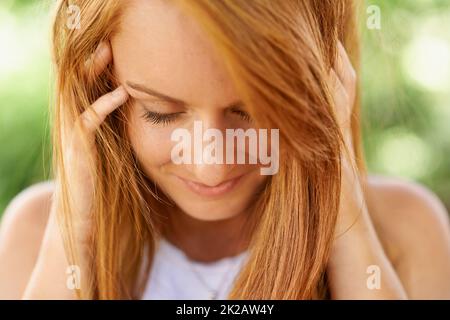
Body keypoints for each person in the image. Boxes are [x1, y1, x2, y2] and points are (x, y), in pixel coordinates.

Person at [0, 0, 449, 299]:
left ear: (326, 86)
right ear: (97, 91)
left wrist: (337, 194)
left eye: (252, 111)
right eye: (160, 113)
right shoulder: (36, 233)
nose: (211, 165)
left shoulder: (405, 232)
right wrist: (73, 235)